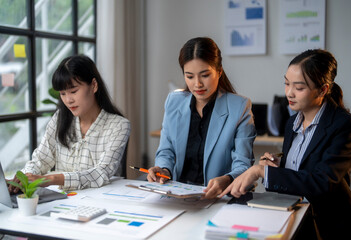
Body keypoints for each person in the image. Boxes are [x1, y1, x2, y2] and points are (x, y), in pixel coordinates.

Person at [220, 49, 351, 239]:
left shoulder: (346, 125)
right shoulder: (291, 122)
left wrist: (260, 172)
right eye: (286, 83)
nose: (289, 93)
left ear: (323, 89)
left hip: (329, 225)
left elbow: (322, 182)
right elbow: (302, 167)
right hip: (294, 216)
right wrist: (276, 164)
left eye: (299, 88)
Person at [147, 37, 256, 199]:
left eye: (204, 75)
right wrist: (164, 169)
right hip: (177, 196)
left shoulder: (239, 107)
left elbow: (243, 164)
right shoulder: (174, 101)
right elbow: (166, 150)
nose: (197, 84)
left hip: (218, 198)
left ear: (219, 71)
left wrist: (226, 180)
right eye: (189, 76)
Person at [8, 55, 131, 192]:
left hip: (100, 202)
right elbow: (40, 160)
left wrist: (52, 179)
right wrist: (25, 177)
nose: (68, 100)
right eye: (62, 93)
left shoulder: (119, 125)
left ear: (94, 85)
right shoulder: (60, 118)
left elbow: (101, 173)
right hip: (62, 201)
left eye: (73, 91)